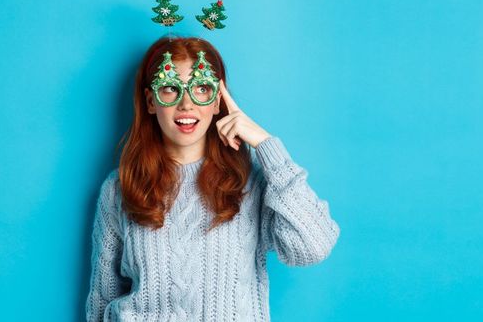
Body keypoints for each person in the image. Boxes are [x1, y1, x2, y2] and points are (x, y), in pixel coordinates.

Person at [85, 36, 340, 321]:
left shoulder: (250, 182)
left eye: (201, 88)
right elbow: (102, 297)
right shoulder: (118, 189)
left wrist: (265, 144)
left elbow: (313, 247)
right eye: (170, 88)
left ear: (218, 100)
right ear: (151, 101)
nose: (186, 104)